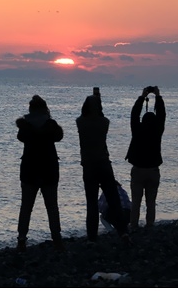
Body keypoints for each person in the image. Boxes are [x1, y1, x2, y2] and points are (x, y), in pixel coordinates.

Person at [76, 88, 130, 243]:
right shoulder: (104, 122)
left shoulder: (81, 122)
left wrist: (94, 99)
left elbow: (84, 117)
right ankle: (123, 232)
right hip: (104, 163)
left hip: (89, 165)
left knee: (91, 202)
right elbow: (101, 115)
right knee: (114, 200)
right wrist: (98, 99)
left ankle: (92, 237)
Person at [15, 95, 64, 252]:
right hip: (49, 169)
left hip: (29, 169)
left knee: (26, 207)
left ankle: (22, 239)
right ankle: (56, 238)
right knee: (52, 206)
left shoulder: (25, 126)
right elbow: (59, 136)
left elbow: (20, 137)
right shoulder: (50, 125)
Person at [124, 85, 166, 229]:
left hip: (138, 170)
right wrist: (158, 96)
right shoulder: (157, 131)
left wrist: (142, 97)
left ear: (143, 121)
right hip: (153, 170)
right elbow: (162, 115)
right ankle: (149, 224)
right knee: (151, 201)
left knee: (136, 201)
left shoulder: (137, 129)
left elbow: (134, 114)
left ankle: (134, 225)